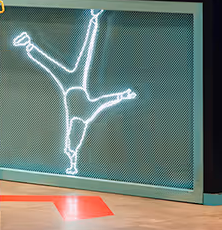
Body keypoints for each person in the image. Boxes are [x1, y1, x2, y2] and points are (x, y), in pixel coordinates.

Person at [13, 9, 137, 175]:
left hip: (69, 85)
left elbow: (105, 102)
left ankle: (92, 19)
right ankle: (93, 19)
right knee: (82, 54)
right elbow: (106, 101)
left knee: (77, 56)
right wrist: (123, 96)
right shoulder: (85, 115)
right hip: (75, 83)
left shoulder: (84, 117)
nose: (71, 131)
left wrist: (123, 96)